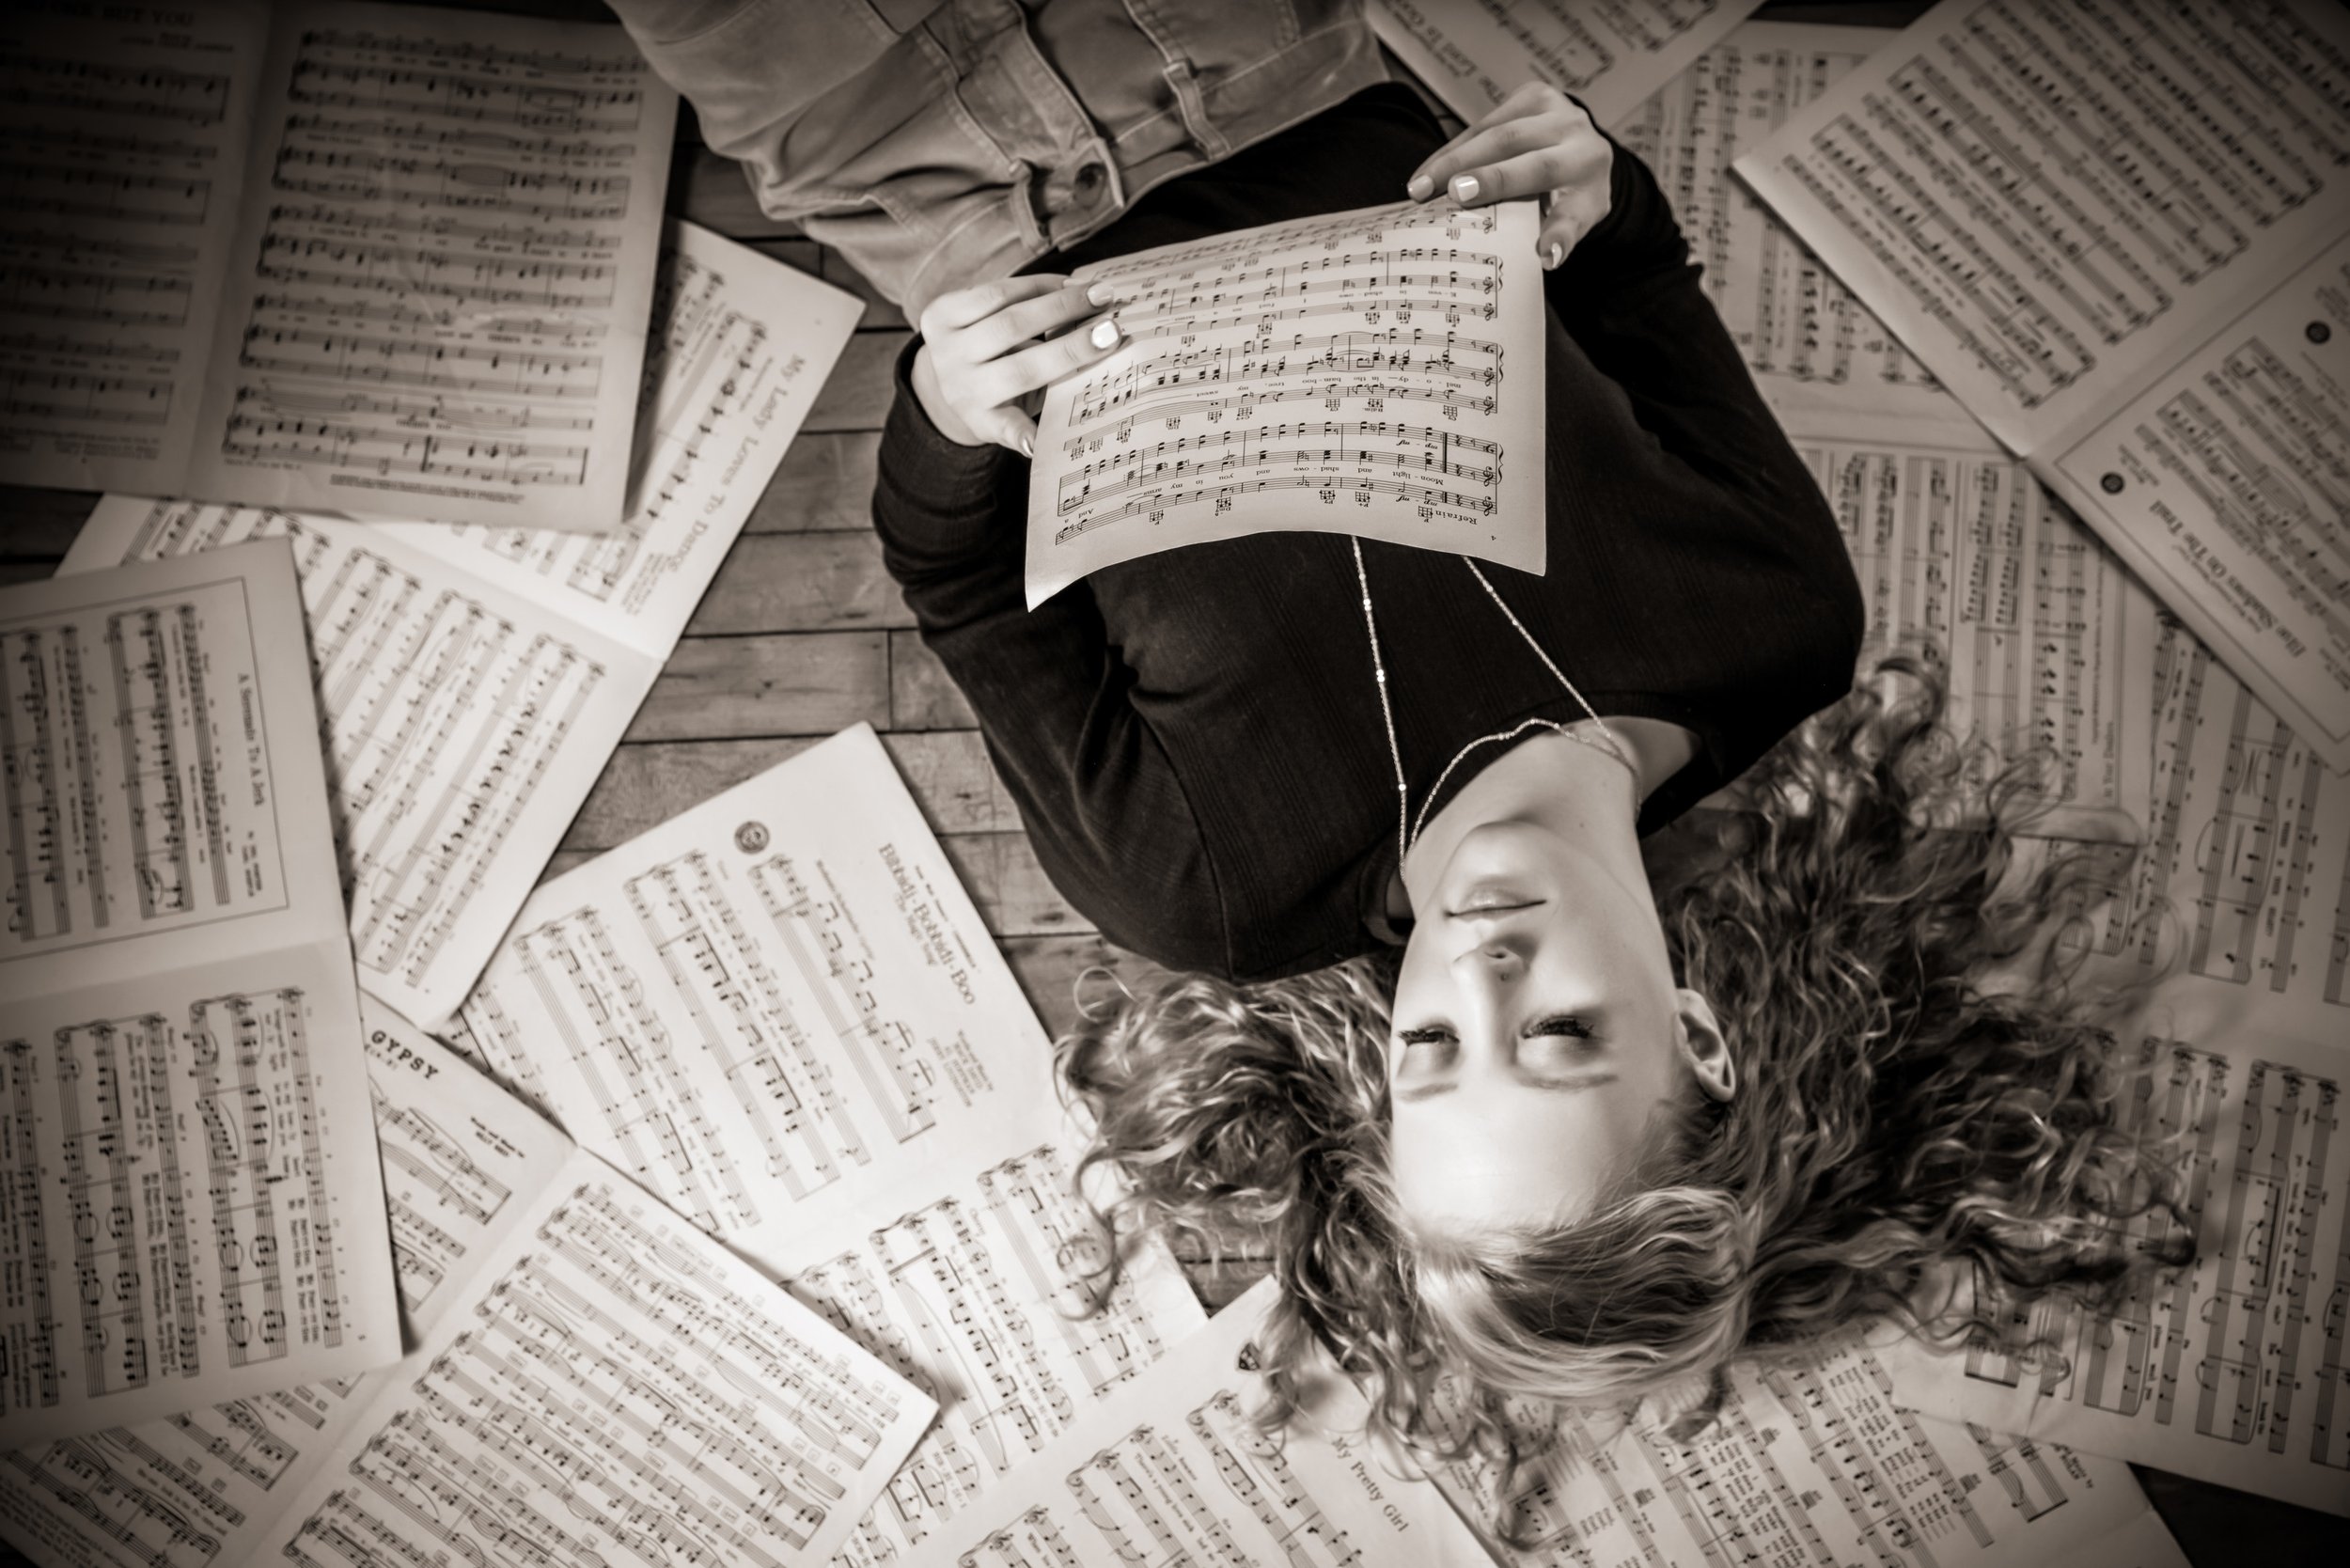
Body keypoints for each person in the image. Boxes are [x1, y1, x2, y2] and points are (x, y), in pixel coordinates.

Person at [877, 75, 2188, 1486]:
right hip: (1250, 71)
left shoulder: (1195, 883)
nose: (1482, 975)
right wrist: (1592, 183)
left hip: (936, 180)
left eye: (1434, 1052)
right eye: (1559, 1032)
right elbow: (1631, 268)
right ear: (1697, 1037)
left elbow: (958, 582)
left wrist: (950, 413)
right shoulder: (1782, 620)